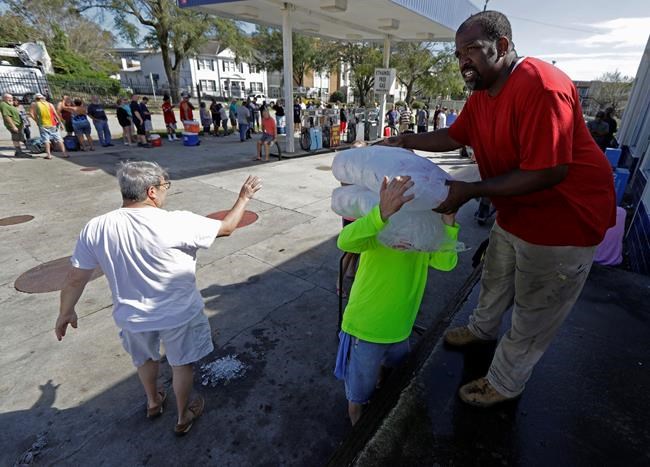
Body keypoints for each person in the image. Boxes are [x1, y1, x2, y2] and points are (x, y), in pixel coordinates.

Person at [384, 10, 616, 407]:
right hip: (516, 213)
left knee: (534, 308)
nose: (463, 62)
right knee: (494, 278)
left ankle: (506, 382)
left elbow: (549, 171)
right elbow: (455, 134)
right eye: (458, 54)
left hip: (564, 221)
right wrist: (406, 140)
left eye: (472, 50)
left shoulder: (541, 86)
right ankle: (482, 329)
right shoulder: (483, 92)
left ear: (503, 46)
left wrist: (470, 190)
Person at [54, 161, 262, 436]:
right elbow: (227, 227)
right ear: (151, 191)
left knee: (144, 360)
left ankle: (153, 401)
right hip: (179, 314)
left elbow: (75, 277)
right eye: (165, 186)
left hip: (132, 317)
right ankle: (183, 415)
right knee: (181, 364)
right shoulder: (178, 221)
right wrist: (243, 198)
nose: (166, 191)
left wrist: (66, 311)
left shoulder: (96, 227)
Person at [334, 175, 459, 425]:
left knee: (391, 373)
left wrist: (449, 223)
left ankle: (380, 386)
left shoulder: (425, 232)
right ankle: (357, 429)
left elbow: (446, 263)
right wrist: (381, 214)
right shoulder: (378, 226)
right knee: (359, 393)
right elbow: (345, 241)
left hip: (401, 329)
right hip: (366, 329)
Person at [30, 93, 68, 159]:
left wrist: (36, 121)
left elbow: (31, 114)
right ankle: (64, 154)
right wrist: (60, 123)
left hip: (43, 124)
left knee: (46, 140)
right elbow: (55, 114)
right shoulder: (50, 104)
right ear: (42, 98)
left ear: (35, 99)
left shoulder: (34, 104)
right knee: (59, 139)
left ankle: (49, 155)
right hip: (53, 124)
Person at [2, 93, 30, 157]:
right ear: (4, 98)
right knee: (16, 139)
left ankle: (21, 151)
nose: (11, 99)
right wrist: (13, 126)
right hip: (14, 125)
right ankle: (19, 152)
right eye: (8, 98)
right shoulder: (4, 105)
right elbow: (7, 116)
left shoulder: (9, 104)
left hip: (18, 125)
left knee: (20, 138)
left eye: (11, 98)